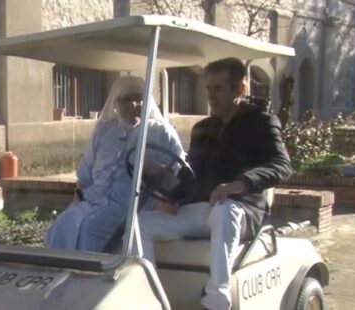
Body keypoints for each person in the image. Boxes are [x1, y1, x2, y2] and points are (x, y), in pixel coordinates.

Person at [137, 58, 292, 310]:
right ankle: (150, 295)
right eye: (208, 89)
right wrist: (172, 196)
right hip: (201, 209)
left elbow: (282, 165)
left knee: (224, 208)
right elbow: (191, 176)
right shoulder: (202, 129)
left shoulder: (261, 123)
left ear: (239, 90)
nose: (211, 95)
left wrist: (238, 184)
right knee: (139, 222)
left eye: (218, 89)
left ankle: (217, 299)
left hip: (242, 209)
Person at [45, 76, 184, 253]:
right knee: (60, 226)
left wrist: (165, 199)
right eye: (126, 99)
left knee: (91, 229)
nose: (133, 104)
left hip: (130, 203)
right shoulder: (103, 131)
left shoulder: (161, 132)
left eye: (138, 99)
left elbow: (177, 173)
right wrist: (78, 197)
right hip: (93, 198)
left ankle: (90, 278)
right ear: (115, 104)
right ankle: (59, 274)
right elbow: (85, 175)